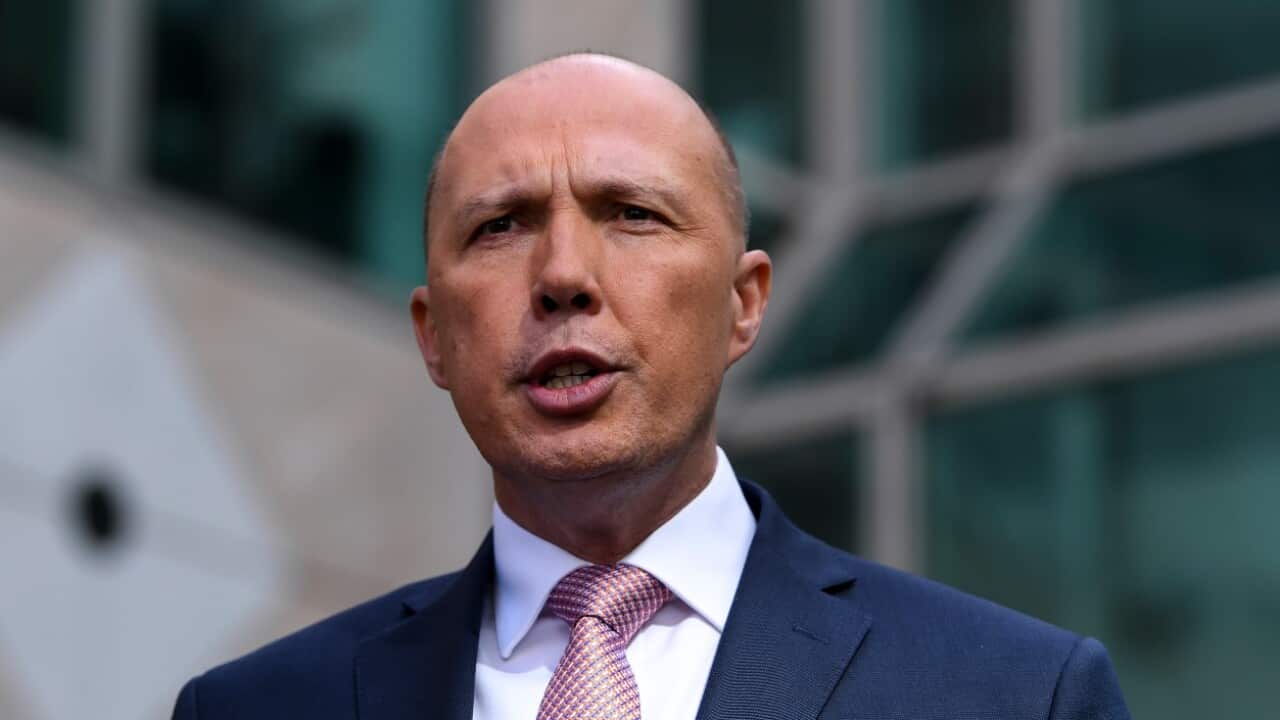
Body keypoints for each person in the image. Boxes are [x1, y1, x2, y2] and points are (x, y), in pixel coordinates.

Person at [171, 53, 1129, 720]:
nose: (561, 275)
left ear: (744, 305)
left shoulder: (1013, 695)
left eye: (630, 214)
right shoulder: (257, 708)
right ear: (434, 338)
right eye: (499, 226)